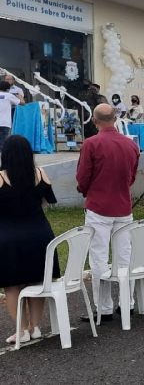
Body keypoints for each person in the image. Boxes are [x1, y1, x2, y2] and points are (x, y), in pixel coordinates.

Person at [77, 104, 140, 322]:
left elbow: (83, 177)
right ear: (115, 119)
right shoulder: (131, 145)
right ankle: (127, 303)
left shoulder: (91, 143)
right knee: (124, 257)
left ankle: (104, 308)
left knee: (99, 259)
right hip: (123, 206)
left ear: (94, 121)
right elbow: (132, 177)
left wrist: (89, 192)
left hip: (98, 207)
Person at [0, 136, 59, 344]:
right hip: (40, 235)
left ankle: (21, 329)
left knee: (13, 285)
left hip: (9, 238)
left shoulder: (0, 177)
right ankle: (35, 327)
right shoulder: (41, 174)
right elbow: (45, 202)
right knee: (37, 281)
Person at [0, 81, 22, 151]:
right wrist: (20, 97)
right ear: (8, 89)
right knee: (3, 143)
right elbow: (22, 103)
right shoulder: (9, 95)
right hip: (5, 123)